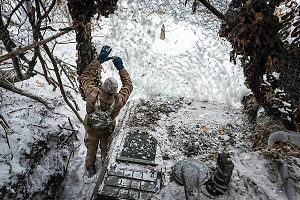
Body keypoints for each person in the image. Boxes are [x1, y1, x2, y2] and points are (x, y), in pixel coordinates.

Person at [81, 45, 133, 177]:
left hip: (91, 129)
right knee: (105, 150)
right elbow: (128, 85)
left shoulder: (92, 92)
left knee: (91, 150)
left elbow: (86, 76)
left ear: (101, 86)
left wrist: (98, 60)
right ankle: (105, 165)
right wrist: (121, 68)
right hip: (106, 131)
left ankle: (89, 167)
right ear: (115, 91)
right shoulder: (119, 101)